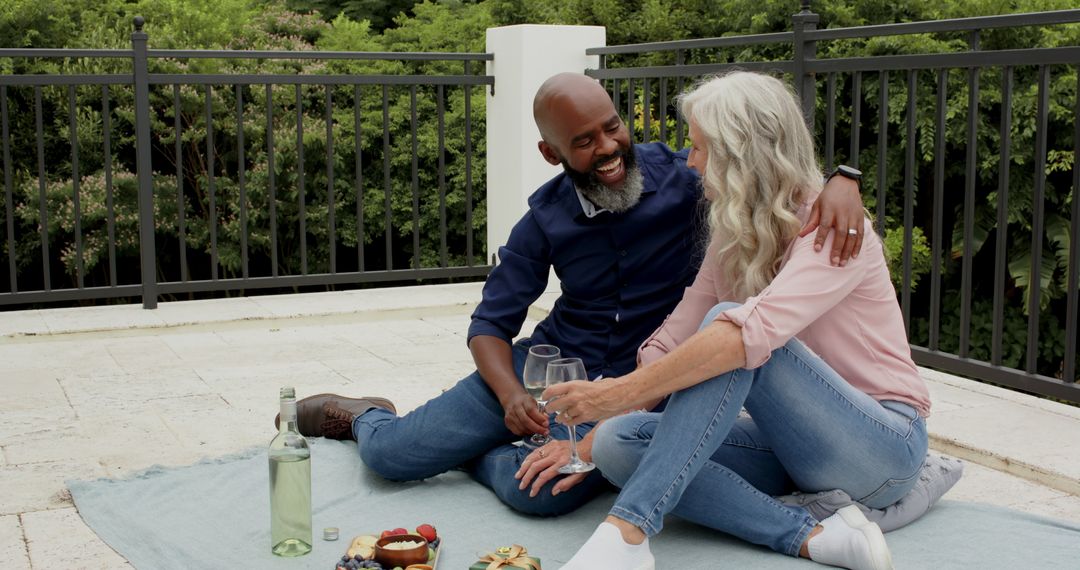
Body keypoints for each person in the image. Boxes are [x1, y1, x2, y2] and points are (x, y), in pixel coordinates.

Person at [277, 72, 865, 517]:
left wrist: (844, 178)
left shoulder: (689, 181)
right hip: (544, 371)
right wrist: (511, 399)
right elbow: (488, 326)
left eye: (613, 127)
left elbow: (766, 157)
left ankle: (480, 452)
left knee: (541, 495)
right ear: (551, 153)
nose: (608, 148)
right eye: (583, 141)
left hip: (641, 384)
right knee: (391, 459)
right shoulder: (542, 220)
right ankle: (366, 416)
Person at [545, 71, 932, 570]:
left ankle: (627, 533)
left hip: (881, 448)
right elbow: (673, 336)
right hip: (792, 448)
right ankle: (812, 537)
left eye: (702, 147)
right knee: (620, 444)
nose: (691, 160)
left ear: (741, 154)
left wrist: (613, 395)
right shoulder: (732, 232)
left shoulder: (834, 229)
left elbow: (743, 335)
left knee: (733, 328)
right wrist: (607, 420)